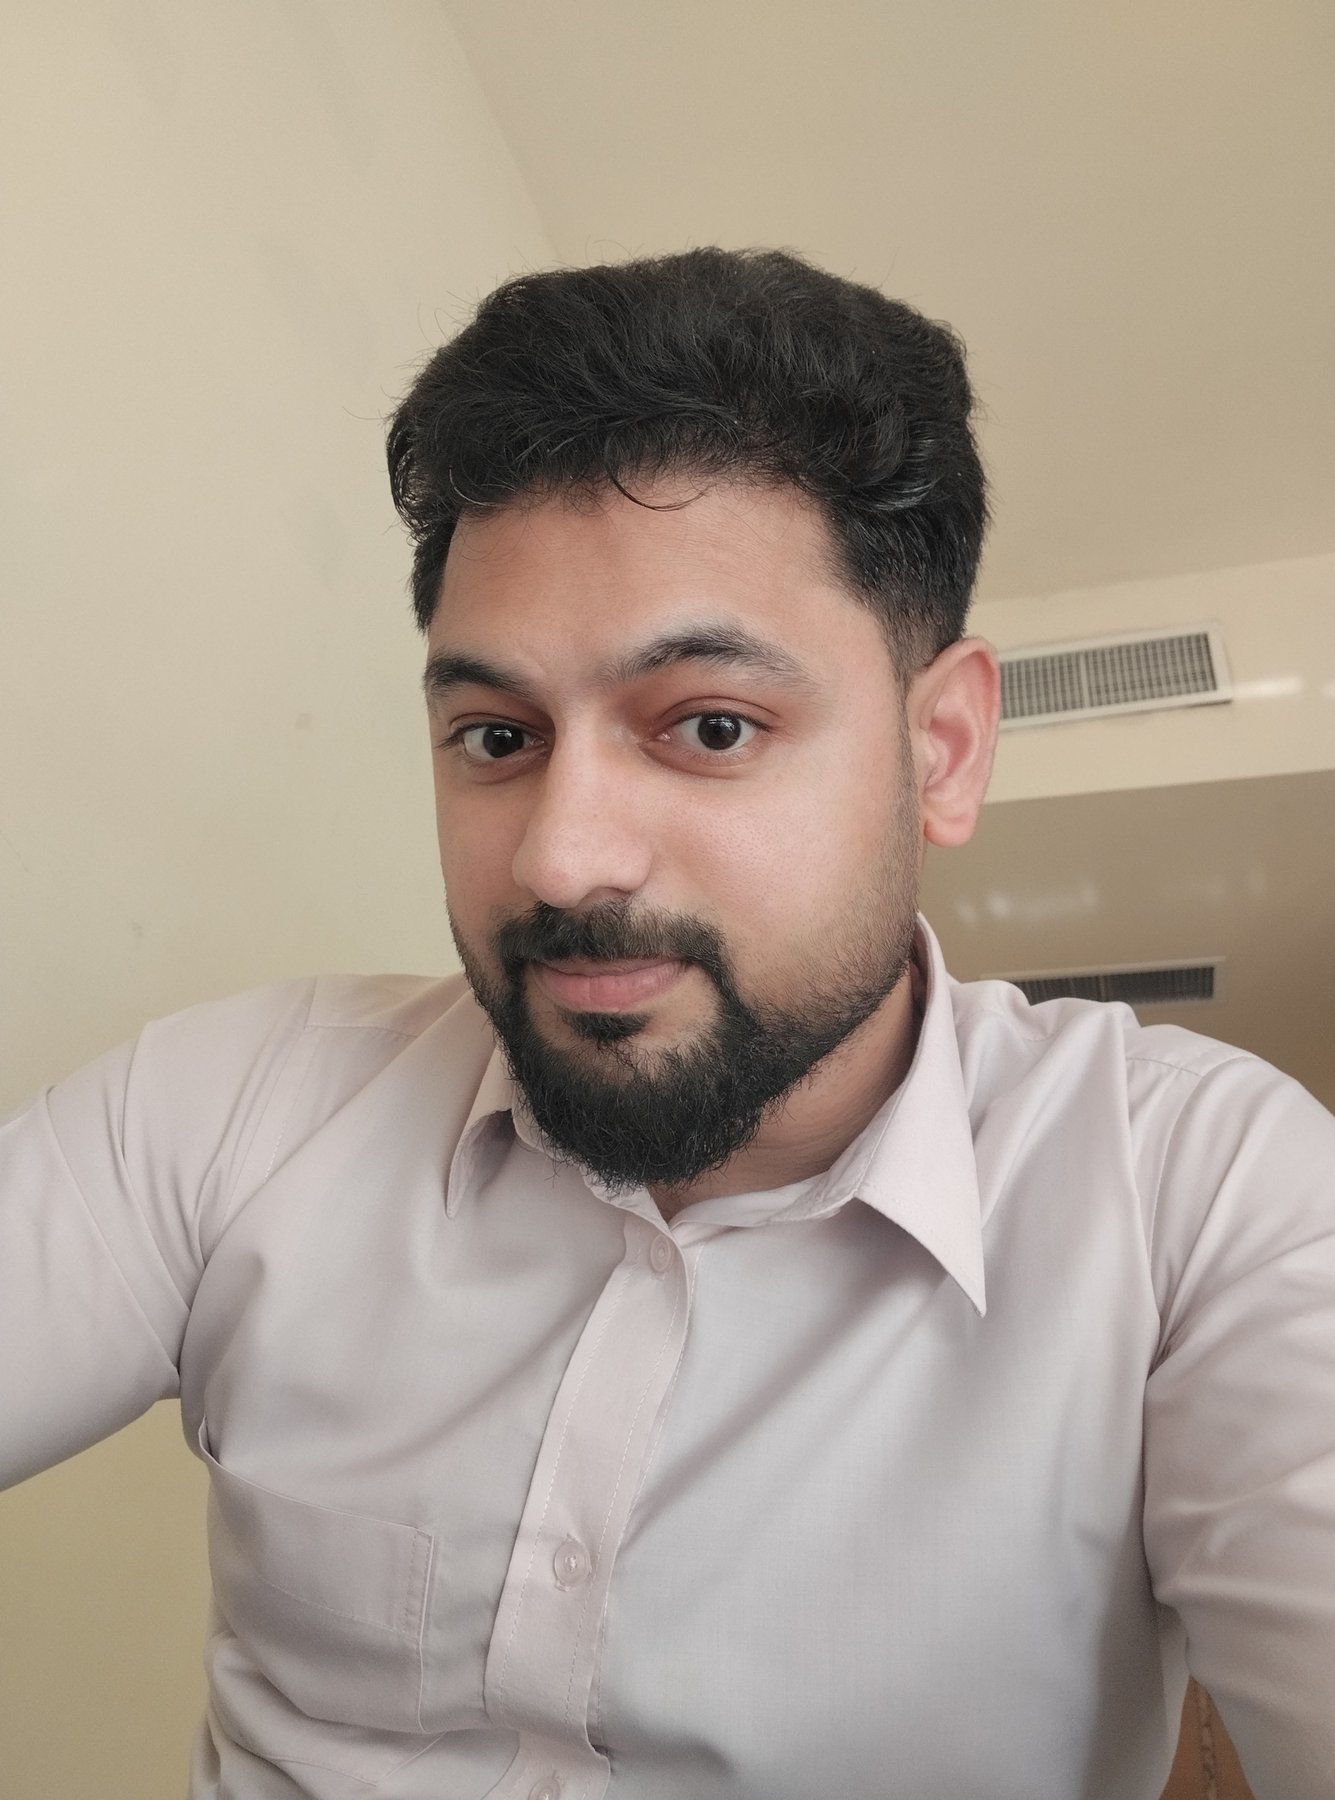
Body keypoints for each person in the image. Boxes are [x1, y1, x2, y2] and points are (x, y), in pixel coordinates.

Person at [2, 247, 1332, 1800]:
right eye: (496, 737)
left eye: (710, 725)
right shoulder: (238, 1106)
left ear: (944, 751)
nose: (561, 858)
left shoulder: (1200, 1202)